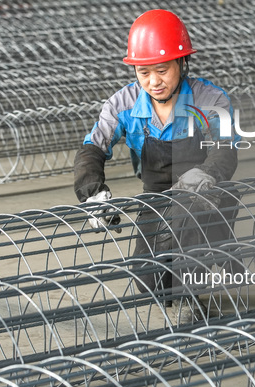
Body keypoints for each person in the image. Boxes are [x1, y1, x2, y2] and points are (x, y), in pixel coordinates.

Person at [73, 9, 240, 323]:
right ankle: (176, 284)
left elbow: (225, 150)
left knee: (186, 228)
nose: (154, 82)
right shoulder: (122, 104)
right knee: (149, 280)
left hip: (205, 193)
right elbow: (93, 148)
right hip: (157, 194)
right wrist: (92, 193)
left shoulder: (210, 98)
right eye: (144, 72)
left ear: (181, 63)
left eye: (162, 70)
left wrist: (206, 173)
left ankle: (193, 292)